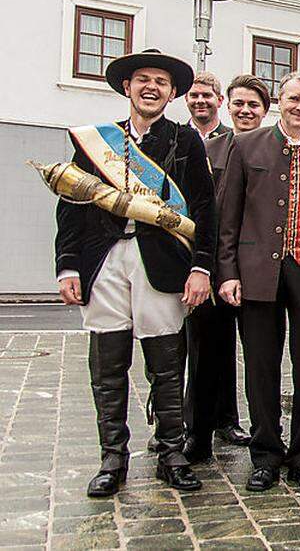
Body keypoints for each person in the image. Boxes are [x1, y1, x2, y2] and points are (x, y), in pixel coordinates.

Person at [55, 49, 215, 496]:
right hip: (105, 259)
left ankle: (171, 452)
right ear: (127, 87)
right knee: (108, 364)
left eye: (161, 83)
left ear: (171, 93)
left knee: (166, 364)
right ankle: (112, 457)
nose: (151, 88)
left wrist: (201, 266)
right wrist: (67, 265)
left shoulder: (185, 142)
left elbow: (204, 208)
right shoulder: (97, 141)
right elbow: (71, 205)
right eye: (143, 79)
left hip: (161, 262)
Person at [217, 71, 300, 492]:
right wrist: (228, 271)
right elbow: (228, 216)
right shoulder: (246, 146)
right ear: (280, 100)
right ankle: (266, 454)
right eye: (294, 99)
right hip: (258, 269)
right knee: (260, 364)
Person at [183, 74, 271, 462]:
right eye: (239, 104)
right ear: (227, 106)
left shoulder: (272, 151)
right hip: (212, 268)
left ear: (265, 111)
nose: (245, 111)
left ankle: (245, 424)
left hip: (254, 271)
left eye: (253, 105)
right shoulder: (208, 150)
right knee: (205, 355)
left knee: (257, 357)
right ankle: (196, 434)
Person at [185, 71, 232, 141]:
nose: (200, 101)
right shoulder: (176, 137)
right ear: (186, 99)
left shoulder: (232, 139)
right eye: (194, 96)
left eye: (206, 95)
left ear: (220, 100)